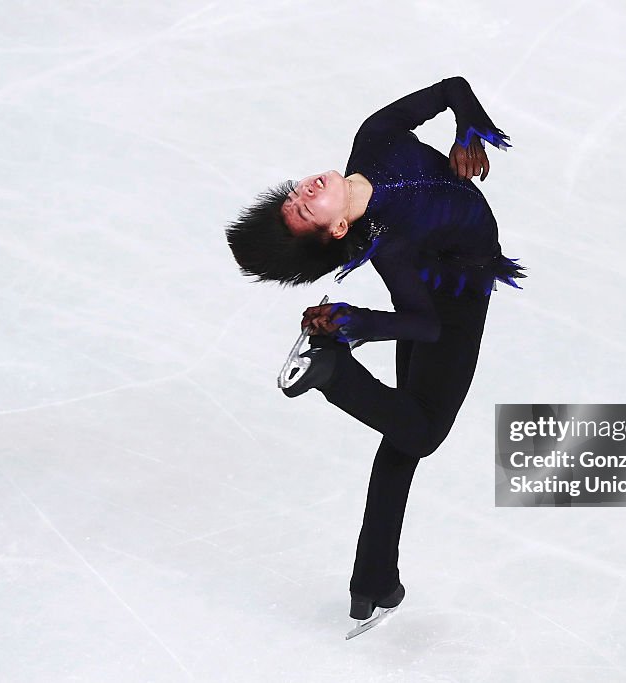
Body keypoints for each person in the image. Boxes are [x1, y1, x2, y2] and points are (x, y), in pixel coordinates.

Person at [225, 75, 525, 622]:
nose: (305, 191)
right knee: (422, 433)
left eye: (295, 194)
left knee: (402, 438)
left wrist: (468, 131)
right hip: (455, 299)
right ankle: (332, 372)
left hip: (446, 286)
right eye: (306, 210)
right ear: (339, 228)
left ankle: (375, 580)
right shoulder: (391, 244)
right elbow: (426, 326)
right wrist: (354, 324)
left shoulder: (374, 138)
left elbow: (452, 87)